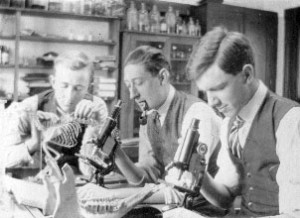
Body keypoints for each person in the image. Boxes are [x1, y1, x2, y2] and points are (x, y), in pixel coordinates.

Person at [82, 45, 223, 215]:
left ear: (162, 77)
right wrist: (115, 151)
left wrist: (110, 196)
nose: (132, 94)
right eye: (128, 85)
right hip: (175, 208)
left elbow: (180, 191)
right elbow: (144, 179)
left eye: (138, 83)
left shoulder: (197, 113)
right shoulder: (150, 117)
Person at [186, 26, 300, 217]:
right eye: (206, 92)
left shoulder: (289, 121)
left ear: (246, 74)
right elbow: (225, 196)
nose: (211, 101)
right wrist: (198, 174)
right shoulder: (229, 124)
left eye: (219, 88)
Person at [0, 51, 108, 174]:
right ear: (53, 82)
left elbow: (93, 170)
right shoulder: (28, 108)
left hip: (81, 183)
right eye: (64, 86)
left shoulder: (97, 107)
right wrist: (34, 143)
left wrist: (93, 128)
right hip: (39, 183)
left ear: (89, 87)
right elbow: (3, 159)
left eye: (78, 88)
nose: (69, 96)